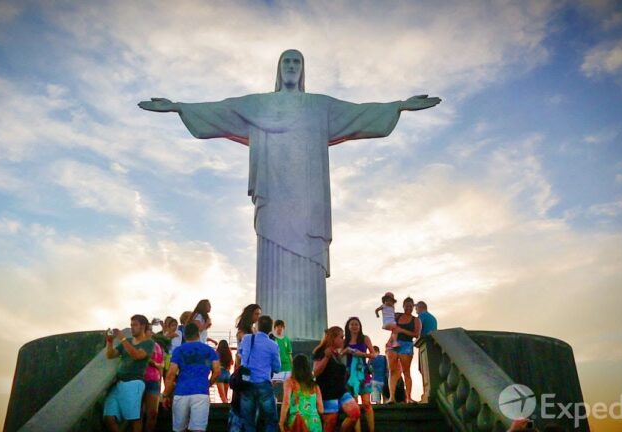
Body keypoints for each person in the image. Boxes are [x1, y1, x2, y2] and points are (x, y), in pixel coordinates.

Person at [139, 50, 441, 341]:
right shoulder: (260, 105)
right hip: (273, 195)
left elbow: (359, 111)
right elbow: (223, 109)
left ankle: (309, 337)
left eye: (297, 61)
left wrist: (398, 106)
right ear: (279, 68)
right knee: (273, 252)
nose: (292, 66)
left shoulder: (319, 106)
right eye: (287, 61)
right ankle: (277, 340)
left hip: (310, 199)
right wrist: (179, 107)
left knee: (308, 257)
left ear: (303, 69)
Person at [163, 323, 221, 432]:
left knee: (179, 429)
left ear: (184, 335)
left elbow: (171, 374)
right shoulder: (209, 350)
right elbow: (217, 372)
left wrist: (166, 394)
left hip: (181, 391)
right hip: (201, 392)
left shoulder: (178, 350)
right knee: (198, 429)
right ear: (198, 334)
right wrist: (208, 384)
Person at [104, 315, 157, 432]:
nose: (132, 328)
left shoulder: (149, 343)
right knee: (109, 417)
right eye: (131, 325)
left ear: (143, 326)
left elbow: (137, 355)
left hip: (134, 382)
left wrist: (122, 339)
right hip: (119, 382)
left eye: (135, 325)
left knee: (134, 418)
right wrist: (109, 341)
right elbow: (110, 355)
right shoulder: (127, 341)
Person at [312, 327, 360, 432]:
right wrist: (326, 357)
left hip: (341, 390)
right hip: (327, 392)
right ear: (333, 338)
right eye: (341, 337)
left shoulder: (336, 353)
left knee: (355, 413)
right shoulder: (321, 351)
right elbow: (315, 371)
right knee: (330, 422)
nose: (343, 339)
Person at [238, 315, 282, 432]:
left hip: (247, 383)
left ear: (257, 326)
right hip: (264, 384)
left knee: (248, 420)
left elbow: (240, 354)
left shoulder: (247, 339)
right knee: (270, 420)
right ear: (271, 329)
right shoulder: (273, 345)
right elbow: (277, 368)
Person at [229, 304, 263, 432]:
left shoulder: (253, 329)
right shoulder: (243, 331)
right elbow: (240, 354)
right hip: (244, 371)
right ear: (250, 314)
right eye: (256, 314)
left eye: (259, 314)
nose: (258, 317)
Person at [386, 298, 422, 404]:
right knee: (392, 371)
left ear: (413, 307)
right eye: (407, 305)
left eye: (411, 306)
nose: (408, 308)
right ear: (403, 306)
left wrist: (402, 330)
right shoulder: (397, 315)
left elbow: (416, 334)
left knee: (406, 371)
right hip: (393, 344)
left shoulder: (415, 320)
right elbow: (388, 324)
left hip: (406, 345)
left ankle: (409, 397)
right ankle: (392, 397)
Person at [343, 317, 376, 432]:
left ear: (360, 326)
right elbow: (338, 355)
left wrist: (362, 354)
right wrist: (345, 351)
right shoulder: (345, 341)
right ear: (348, 326)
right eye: (352, 324)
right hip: (350, 375)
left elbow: (373, 354)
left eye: (356, 324)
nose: (354, 326)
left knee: (367, 403)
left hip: (363, 373)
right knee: (355, 405)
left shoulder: (365, 338)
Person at [279, 354, 323, 432]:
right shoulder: (315, 385)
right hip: (314, 422)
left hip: (298, 422)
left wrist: (281, 422)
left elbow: (286, 402)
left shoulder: (290, 382)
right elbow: (321, 409)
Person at [144, 324, 166, 432]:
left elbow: (161, 364)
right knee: (137, 413)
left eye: (151, 330)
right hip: (140, 380)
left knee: (153, 413)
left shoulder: (157, 346)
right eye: (149, 330)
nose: (151, 333)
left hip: (154, 381)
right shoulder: (139, 344)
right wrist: (155, 363)